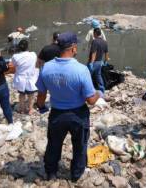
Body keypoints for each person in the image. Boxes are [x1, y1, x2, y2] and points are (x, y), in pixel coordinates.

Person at [35, 31, 99, 182]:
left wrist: (42, 107)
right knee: (80, 146)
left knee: (53, 144)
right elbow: (90, 100)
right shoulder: (82, 70)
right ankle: (76, 175)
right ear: (73, 48)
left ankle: (51, 172)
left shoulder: (46, 68)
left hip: (57, 114)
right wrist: (99, 94)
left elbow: (41, 96)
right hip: (78, 115)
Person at [11, 40, 39, 114]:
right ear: (27, 47)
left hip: (20, 79)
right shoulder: (33, 54)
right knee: (31, 95)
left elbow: (13, 65)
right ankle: (30, 109)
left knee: (22, 94)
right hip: (31, 78)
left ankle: (22, 109)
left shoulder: (15, 56)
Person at [88, 28, 109, 94]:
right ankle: (102, 89)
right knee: (98, 75)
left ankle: (88, 91)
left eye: (93, 33)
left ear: (95, 33)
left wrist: (91, 63)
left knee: (87, 76)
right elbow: (106, 53)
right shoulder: (104, 42)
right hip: (100, 62)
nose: (93, 35)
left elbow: (94, 53)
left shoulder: (95, 41)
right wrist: (105, 61)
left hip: (94, 62)